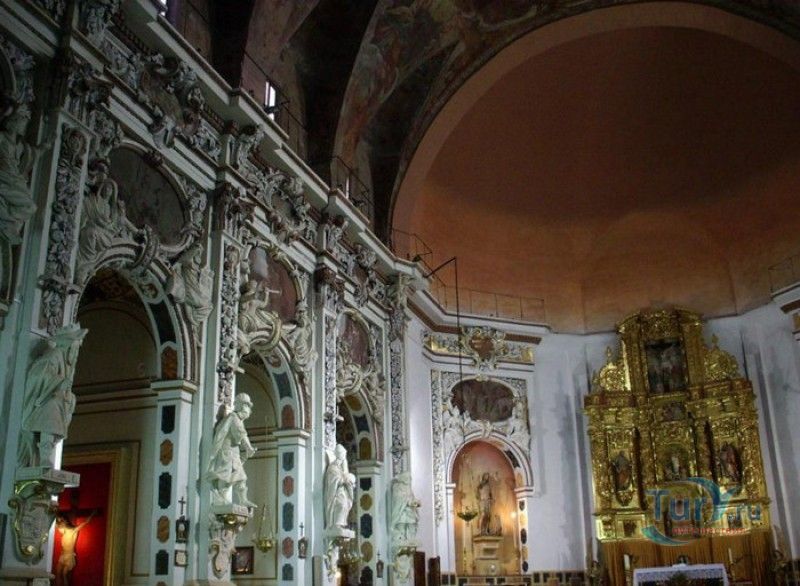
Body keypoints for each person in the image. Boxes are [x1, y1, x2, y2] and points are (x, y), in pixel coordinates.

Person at [18, 325, 88, 467]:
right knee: (53, 405)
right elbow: (38, 375)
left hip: (56, 399)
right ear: (68, 344)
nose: (77, 348)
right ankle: (45, 455)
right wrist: (59, 382)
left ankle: (46, 452)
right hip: (42, 401)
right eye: (76, 344)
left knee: (69, 400)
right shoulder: (54, 355)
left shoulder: (68, 364)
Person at [207, 393, 257, 507]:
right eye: (247, 405)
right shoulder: (234, 417)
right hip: (227, 451)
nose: (249, 410)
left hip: (233, 451)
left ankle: (242, 500)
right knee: (225, 476)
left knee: (241, 477)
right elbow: (241, 434)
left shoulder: (237, 419)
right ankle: (221, 499)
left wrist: (248, 449)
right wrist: (249, 448)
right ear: (241, 406)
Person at [0, 102, 36, 243]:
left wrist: (44, 146)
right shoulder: (2, 138)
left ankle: (7, 223)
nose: (24, 126)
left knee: (30, 207)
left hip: (15, 180)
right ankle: (6, 224)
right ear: (14, 121)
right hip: (3, 179)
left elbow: (32, 156)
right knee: (29, 206)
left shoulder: (20, 146)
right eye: (23, 122)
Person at [55, 511, 95, 586]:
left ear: (65, 521)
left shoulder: (73, 530)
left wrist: (92, 514)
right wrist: (55, 515)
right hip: (63, 555)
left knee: (64, 573)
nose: (60, 523)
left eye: (61, 521)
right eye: (59, 521)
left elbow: (85, 522)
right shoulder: (63, 530)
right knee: (57, 572)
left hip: (69, 556)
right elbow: (56, 524)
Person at [324, 444, 355, 529]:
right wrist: (343, 480)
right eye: (343, 455)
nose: (344, 457)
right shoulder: (332, 467)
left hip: (343, 490)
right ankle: (336, 524)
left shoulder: (343, 467)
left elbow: (346, 475)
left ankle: (341, 523)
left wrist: (349, 480)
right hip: (336, 492)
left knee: (345, 504)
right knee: (341, 504)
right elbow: (333, 481)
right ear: (339, 454)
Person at [391, 472, 421, 545]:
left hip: (410, 512)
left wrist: (415, 502)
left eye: (410, 478)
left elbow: (412, 498)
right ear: (404, 478)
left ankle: (411, 539)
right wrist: (407, 501)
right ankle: (401, 540)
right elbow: (397, 498)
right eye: (408, 478)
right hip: (402, 512)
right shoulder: (397, 487)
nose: (410, 479)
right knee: (402, 527)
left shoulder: (409, 488)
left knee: (412, 526)